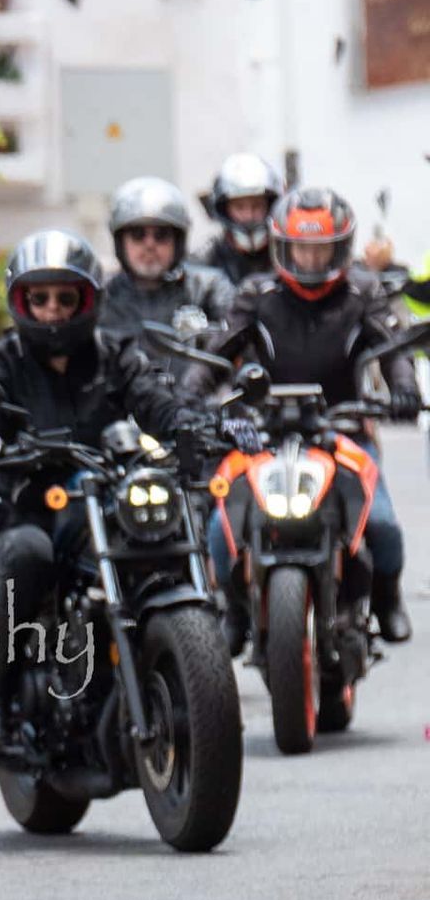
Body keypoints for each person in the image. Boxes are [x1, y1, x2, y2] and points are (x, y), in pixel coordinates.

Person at [0, 232, 212, 754]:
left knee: (173, 521)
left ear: (87, 301)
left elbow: (156, 400)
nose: (53, 310)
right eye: (41, 298)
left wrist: (191, 426)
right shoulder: (1, 359)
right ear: (21, 302)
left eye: (65, 298)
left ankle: (195, 667)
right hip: (33, 503)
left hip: (107, 493)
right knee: (27, 555)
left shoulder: (115, 354)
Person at [183, 186, 414, 644]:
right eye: (302, 249)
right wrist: (191, 398)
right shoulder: (256, 293)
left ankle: (387, 597)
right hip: (262, 435)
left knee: (383, 522)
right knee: (220, 521)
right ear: (282, 247)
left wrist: (404, 390)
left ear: (341, 247)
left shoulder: (362, 291)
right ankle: (234, 609)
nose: (310, 260)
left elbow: (394, 352)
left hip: (342, 431)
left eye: (321, 249)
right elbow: (213, 359)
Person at [99, 175, 235, 376]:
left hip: (195, 403)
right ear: (120, 241)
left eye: (161, 235)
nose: (149, 244)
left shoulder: (208, 288)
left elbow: (238, 341)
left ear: (177, 241)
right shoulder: (102, 298)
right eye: (138, 234)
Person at [194, 153, 285, 288]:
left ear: (270, 206)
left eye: (257, 205)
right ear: (225, 210)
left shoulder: (286, 252)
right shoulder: (205, 259)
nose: (249, 216)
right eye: (240, 207)